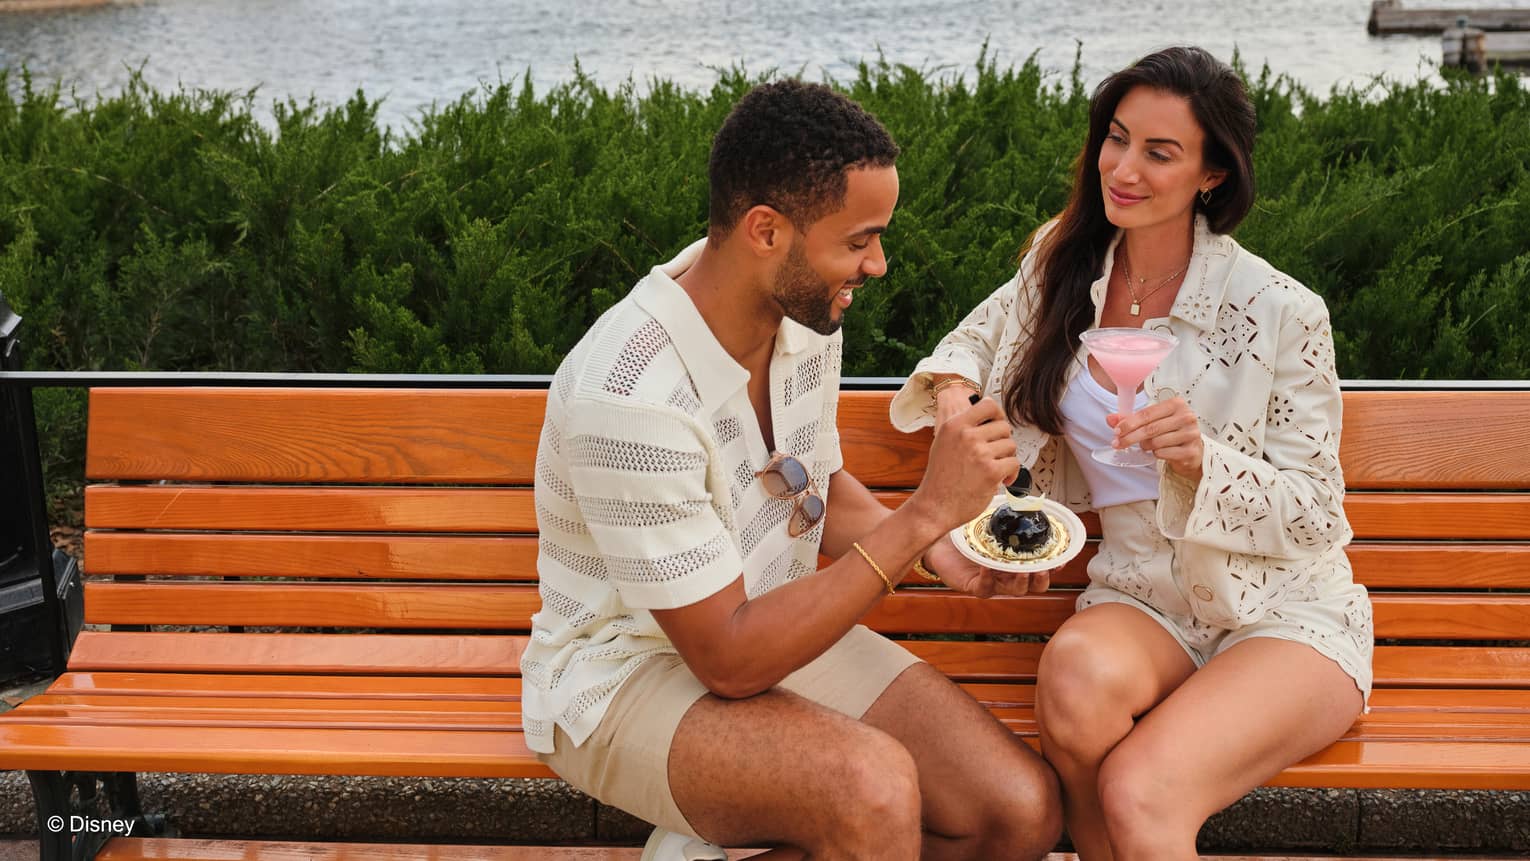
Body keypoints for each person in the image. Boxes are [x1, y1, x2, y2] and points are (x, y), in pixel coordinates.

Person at [525, 79, 1063, 861]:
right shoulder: (632, 398)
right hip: (626, 675)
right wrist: (921, 516)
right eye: (858, 240)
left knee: (1018, 811)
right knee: (871, 792)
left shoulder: (804, 315)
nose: (877, 264)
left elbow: (812, 489)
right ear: (766, 231)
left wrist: (941, 547)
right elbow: (730, 659)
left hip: (776, 624)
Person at [891, 47, 1373, 860]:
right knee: (1074, 687)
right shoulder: (1063, 259)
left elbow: (1317, 512)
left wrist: (1203, 461)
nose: (1124, 168)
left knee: (1139, 791)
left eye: (1160, 152)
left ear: (1212, 174)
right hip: (1141, 598)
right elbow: (969, 342)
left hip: (1279, 614)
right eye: (1117, 139)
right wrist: (954, 394)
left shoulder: (1282, 310)